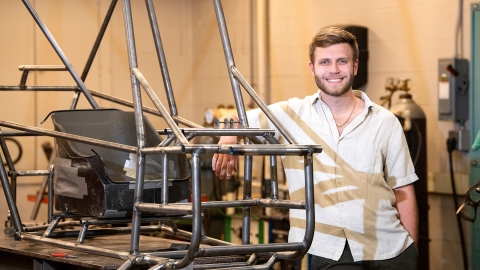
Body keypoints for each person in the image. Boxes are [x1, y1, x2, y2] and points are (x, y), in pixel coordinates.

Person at [212, 26, 419, 269]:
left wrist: (412, 248)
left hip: (390, 249)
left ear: (355, 66)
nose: (334, 69)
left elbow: (403, 190)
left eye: (342, 61)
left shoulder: (385, 121)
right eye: (325, 62)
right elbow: (233, 118)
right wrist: (229, 136)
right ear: (312, 68)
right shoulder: (291, 114)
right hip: (330, 251)